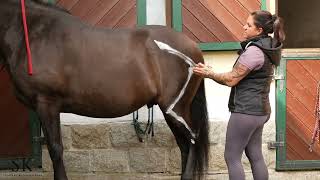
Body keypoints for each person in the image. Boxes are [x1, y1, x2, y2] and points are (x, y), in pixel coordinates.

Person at [193, 10, 285, 180]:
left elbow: (231, 79)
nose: (244, 27)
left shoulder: (255, 52)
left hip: (246, 111)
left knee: (232, 157)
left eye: (249, 25)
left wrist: (209, 73)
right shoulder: (267, 46)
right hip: (260, 110)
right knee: (255, 155)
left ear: (259, 30)